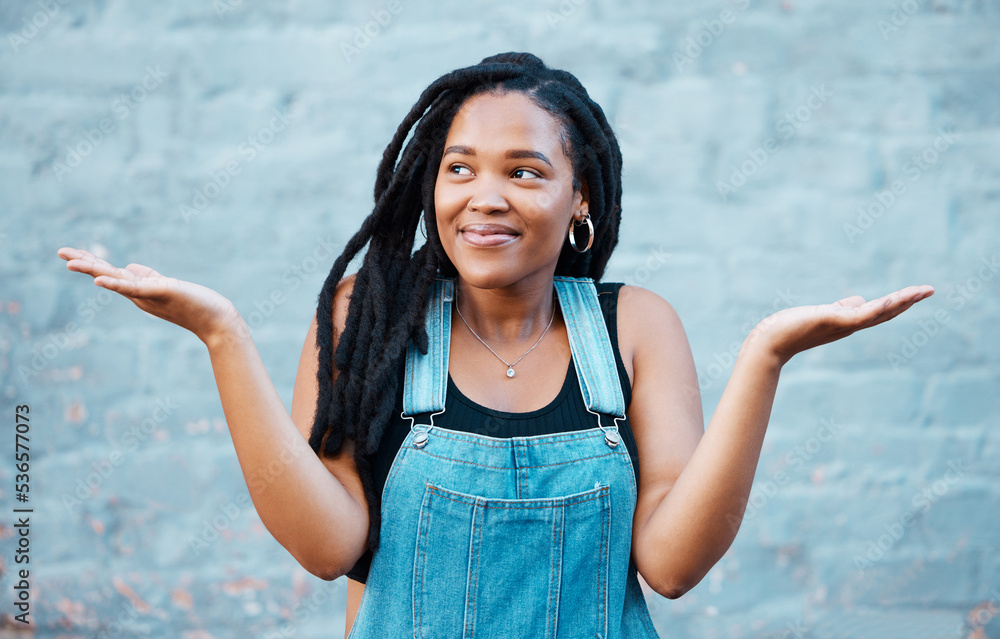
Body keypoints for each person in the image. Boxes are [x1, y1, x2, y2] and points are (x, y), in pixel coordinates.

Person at [57, 51, 933, 637]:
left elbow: (670, 566)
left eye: (525, 171)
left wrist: (765, 360)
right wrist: (222, 336)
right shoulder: (372, 315)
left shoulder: (635, 328)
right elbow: (328, 548)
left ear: (579, 197)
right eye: (459, 166)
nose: (484, 195)